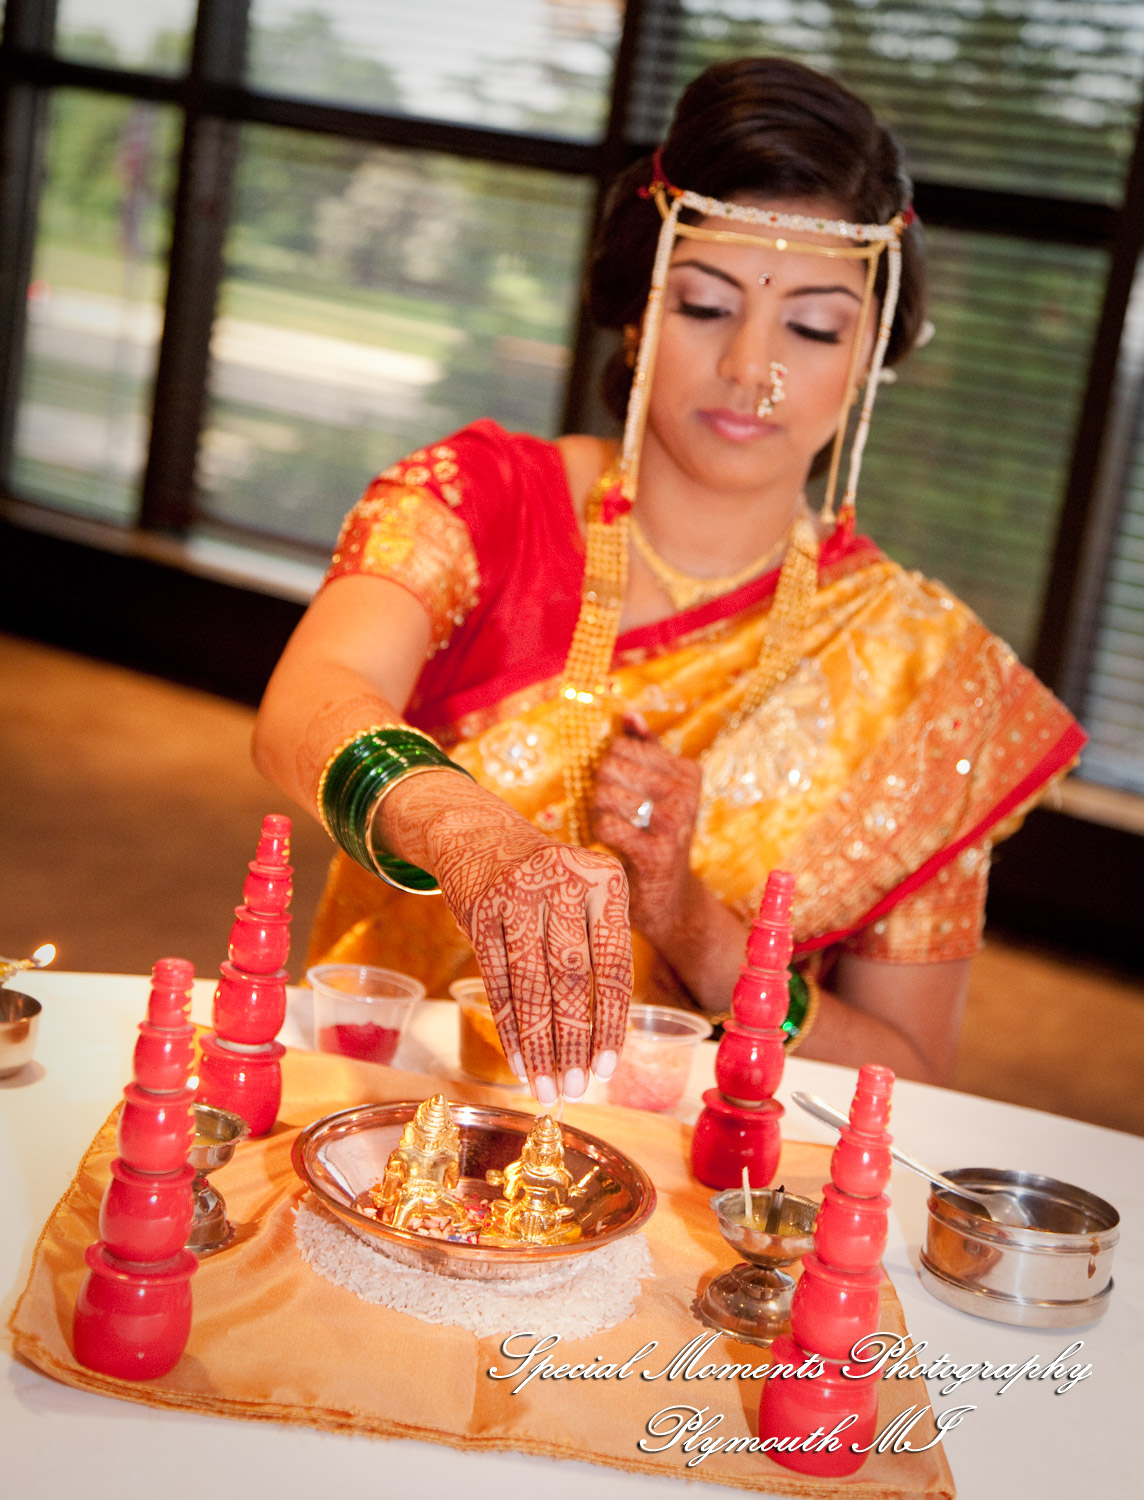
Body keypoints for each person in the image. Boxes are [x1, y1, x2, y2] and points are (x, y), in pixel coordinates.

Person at [253, 57, 1084, 1100]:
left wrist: (696, 927)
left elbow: (910, 1075)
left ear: (871, 351)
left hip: (697, 1177)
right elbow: (304, 704)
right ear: (637, 314)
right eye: (703, 305)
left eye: (813, 327)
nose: (750, 368)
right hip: (390, 1114)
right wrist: (471, 840)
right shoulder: (486, 500)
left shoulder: (920, 673)